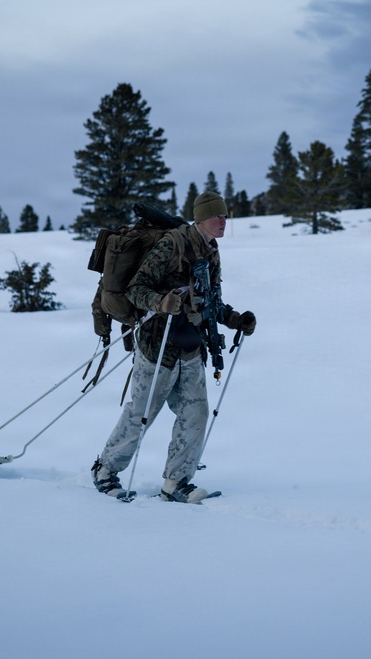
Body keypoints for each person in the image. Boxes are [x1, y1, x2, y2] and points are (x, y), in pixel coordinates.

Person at [91, 191, 256, 503]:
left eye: (224, 215)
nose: (222, 221)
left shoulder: (212, 251)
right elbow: (135, 289)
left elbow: (211, 301)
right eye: (215, 215)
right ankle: (105, 471)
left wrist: (235, 319)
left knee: (196, 413)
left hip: (191, 347)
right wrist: (160, 301)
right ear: (200, 217)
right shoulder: (173, 244)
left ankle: (176, 482)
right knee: (140, 414)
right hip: (158, 346)